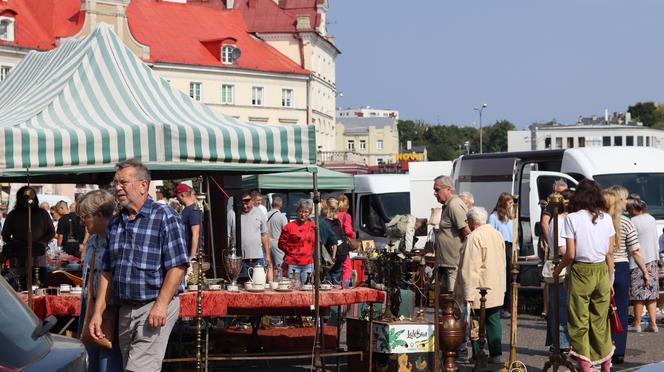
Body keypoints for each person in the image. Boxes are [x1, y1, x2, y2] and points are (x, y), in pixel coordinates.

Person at [89, 159, 189, 371]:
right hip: (125, 309)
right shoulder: (115, 223)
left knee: (138, 369)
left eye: (123, 182)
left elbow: (178, 266)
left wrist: (161, 305)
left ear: (143, 185)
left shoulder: (165, 216)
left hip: (153, 306)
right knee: (130, 366)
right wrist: (98, 312)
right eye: (115, 183)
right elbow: (107, 271)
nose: (117, 188)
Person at [553, 179, 614, 372]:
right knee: (600, 321)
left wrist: (558, 269)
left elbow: (570, 254)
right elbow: (610, 253)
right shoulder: (607, 217)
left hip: (581, 271)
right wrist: (610, 278)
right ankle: (605, 364)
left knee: (579, 321)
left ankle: (585, 366)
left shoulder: (572, 218)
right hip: (602, 270)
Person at [76, 190, 122, 371]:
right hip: (89, 307)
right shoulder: (93, 239)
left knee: (108, 363)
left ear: (100, 215)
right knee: (91, 363)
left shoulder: (118, 238)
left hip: (110, 311)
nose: (82, 222)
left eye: (85, 217)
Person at [603, 188, 649, 365]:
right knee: (620, 311)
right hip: (621, 266)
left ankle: (602, 349)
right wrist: (645, 271)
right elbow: (636, 251)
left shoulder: (599, 220)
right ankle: (618, 351)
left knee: (601, 311)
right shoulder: (626, 223)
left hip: (601, 266)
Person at [455, 207, 506, 364]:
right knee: (493, 318)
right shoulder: (497, 234)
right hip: (495, 284)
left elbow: (471, 268)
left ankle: (479, 354)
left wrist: (468, 295)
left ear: (471, 221)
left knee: (476, 321)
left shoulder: (474, 237)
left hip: (479, 287)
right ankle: (496, 354)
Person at [1, 186, 55, 290]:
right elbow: (5, 235)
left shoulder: (42, 213)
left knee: (39, 288)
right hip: (18, 257)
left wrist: (41, 242)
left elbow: (51, 232)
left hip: (38, 257)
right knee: (19, 287)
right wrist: (16, 243)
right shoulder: (13, 215)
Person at [626, 194, 660, 333]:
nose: (627, 210)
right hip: (653, 259)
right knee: (651, 293)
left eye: (628, 208)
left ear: (634, 209)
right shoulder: (651, 219)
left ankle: (637, 323)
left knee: (638, 295)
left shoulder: (632, 221)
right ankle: (653, 323)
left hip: (638, 261)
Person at [544, 189, 572, 353]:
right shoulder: (560, 221)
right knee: (561, 306)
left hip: (565, 263)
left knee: (562, 306)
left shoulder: (565, 219)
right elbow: (561, 248)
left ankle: (561, 342)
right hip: (562, 265)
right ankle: (561, 343)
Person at [433, 175, 470, 291]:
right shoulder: (448, 206)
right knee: (446, 301)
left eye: (437, 190)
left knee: (453, 300)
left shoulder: (454, 205)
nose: (434, 193)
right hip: (447, 264)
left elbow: (467, 233)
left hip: (454, 265)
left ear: (448, 189)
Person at [540, 179, 568, 319]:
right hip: (553, 244)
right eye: (559, 192)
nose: (561, 195)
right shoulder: (551, 205)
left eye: (563, 192)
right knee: (550, 275)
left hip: (560, 242)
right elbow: (544, 223)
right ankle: (546, 308)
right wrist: (550, 242)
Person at [228, 190, 272, 281]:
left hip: (257, 258)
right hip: (240, 259)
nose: (245, 206)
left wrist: (267, 255)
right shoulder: (232, 214)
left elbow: (264, 234)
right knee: (242, 286)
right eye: (242, 203)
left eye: (247, 202)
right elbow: (228, 237)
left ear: (252, 200)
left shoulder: (259, 212)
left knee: (259, 285)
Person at [488, 192, 514, 318]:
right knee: (499, 278)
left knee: (509, 278)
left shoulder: (511, 217)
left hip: (510, 246)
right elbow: (491, 233)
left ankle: (507, 306)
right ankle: (498, 306)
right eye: (509, 203)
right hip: (500, 246)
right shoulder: (494, 217)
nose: (512, 205)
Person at [278, 199, 317, 285]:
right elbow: (281, 243)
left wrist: (309, 253)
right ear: (297, 212)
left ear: (310, 213)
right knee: (293, 288)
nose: (303, 214)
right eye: (300, 211)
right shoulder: (289, 227)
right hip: (292, 263)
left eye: (306, 212)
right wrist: (290, 251)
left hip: (308, 263)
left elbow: (315, 243)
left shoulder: (313, 227)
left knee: (307, 289)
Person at [323, 197, 351, 285]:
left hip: (331, 256)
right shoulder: (337, 221)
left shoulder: (324, 223)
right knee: (337, 278)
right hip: (342, 253)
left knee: (327, 281)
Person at [175, 183, 203, 261]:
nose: (177, 199)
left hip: (192, 255)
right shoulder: (186, 210)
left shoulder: (194, 210)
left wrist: (192, 256)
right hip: (186, 252)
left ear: (182, 195)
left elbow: (196, 234)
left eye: (177, 196)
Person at [266, 195, 288, 279]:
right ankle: (279, 282)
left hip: (267, 243)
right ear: (280, 205)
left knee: (269, 266)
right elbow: (286, 231)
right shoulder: (282, 216)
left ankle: (270, 283)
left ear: (272, 204)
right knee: (279, 266)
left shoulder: (266, 215)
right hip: (277, 243)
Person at [337, 194, 355, 288]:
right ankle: (345, 287)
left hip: (334, 244)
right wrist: (354, 234)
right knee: (347, 267)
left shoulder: (333, 215)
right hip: (343, 245)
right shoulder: (346, 216)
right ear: (347, 206)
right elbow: (348, 231)